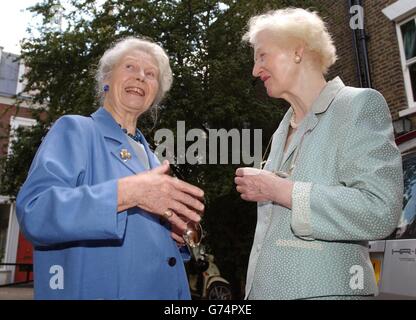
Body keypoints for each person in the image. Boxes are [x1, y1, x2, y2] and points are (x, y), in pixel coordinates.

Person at [16, 37, 205, 300]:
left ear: (155, 95)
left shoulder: (151, 157)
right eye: (130, 67)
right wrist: (127, 193)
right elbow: (35, 211)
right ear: (106, 78)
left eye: (150, 74)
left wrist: (175, 235)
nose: (140, 76)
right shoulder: (77, 130)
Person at [235, 8, 403, 300]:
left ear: (297, 51)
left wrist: (280, 189)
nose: (255, 70)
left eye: (262, 56)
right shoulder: (281, 130)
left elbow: (381, 210)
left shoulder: (357, 105)